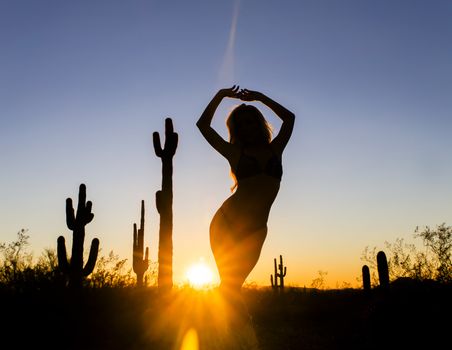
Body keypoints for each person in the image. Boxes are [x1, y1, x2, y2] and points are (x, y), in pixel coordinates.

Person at [197, 85, 295, 295]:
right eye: (241, 125)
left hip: (257, 229)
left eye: (250, 122)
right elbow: (203, 126)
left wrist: (260, 98)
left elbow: (290, 119)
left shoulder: (275, 149)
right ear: (237, 130)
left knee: (233, 287)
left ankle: (224, 326)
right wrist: (221, 95)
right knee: (230, 287)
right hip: (227, 223)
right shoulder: (234, 152)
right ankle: (229, 327)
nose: (247, 128)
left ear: (258, 124)